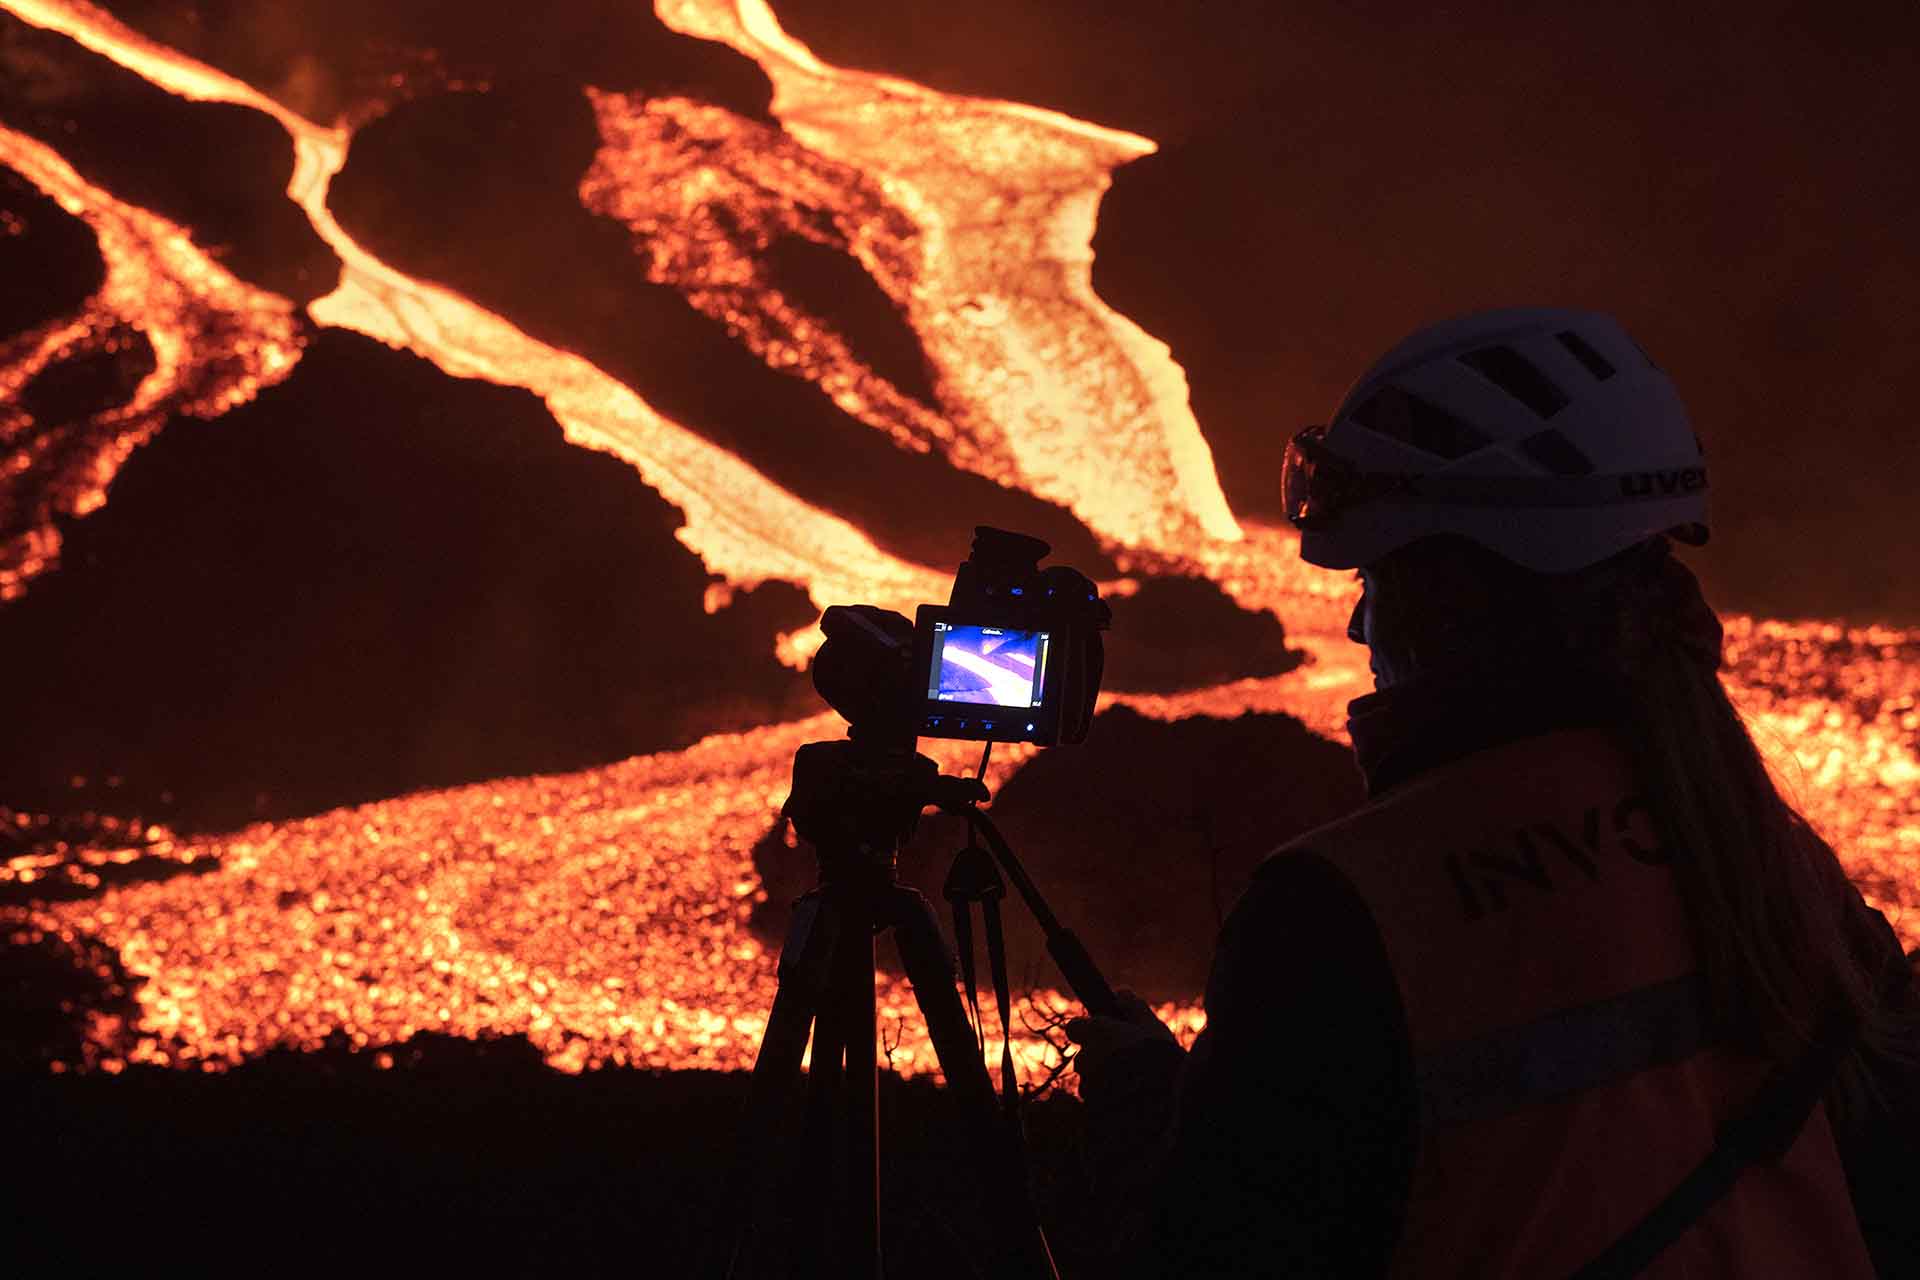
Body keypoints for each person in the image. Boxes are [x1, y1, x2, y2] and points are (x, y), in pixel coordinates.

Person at [1065, 308, 1919, 1277]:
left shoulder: (1347, 908)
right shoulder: (1770, 854)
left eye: (1376, 575)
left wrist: (1150, 1120)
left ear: (1454, 591)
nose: (1355, 621)